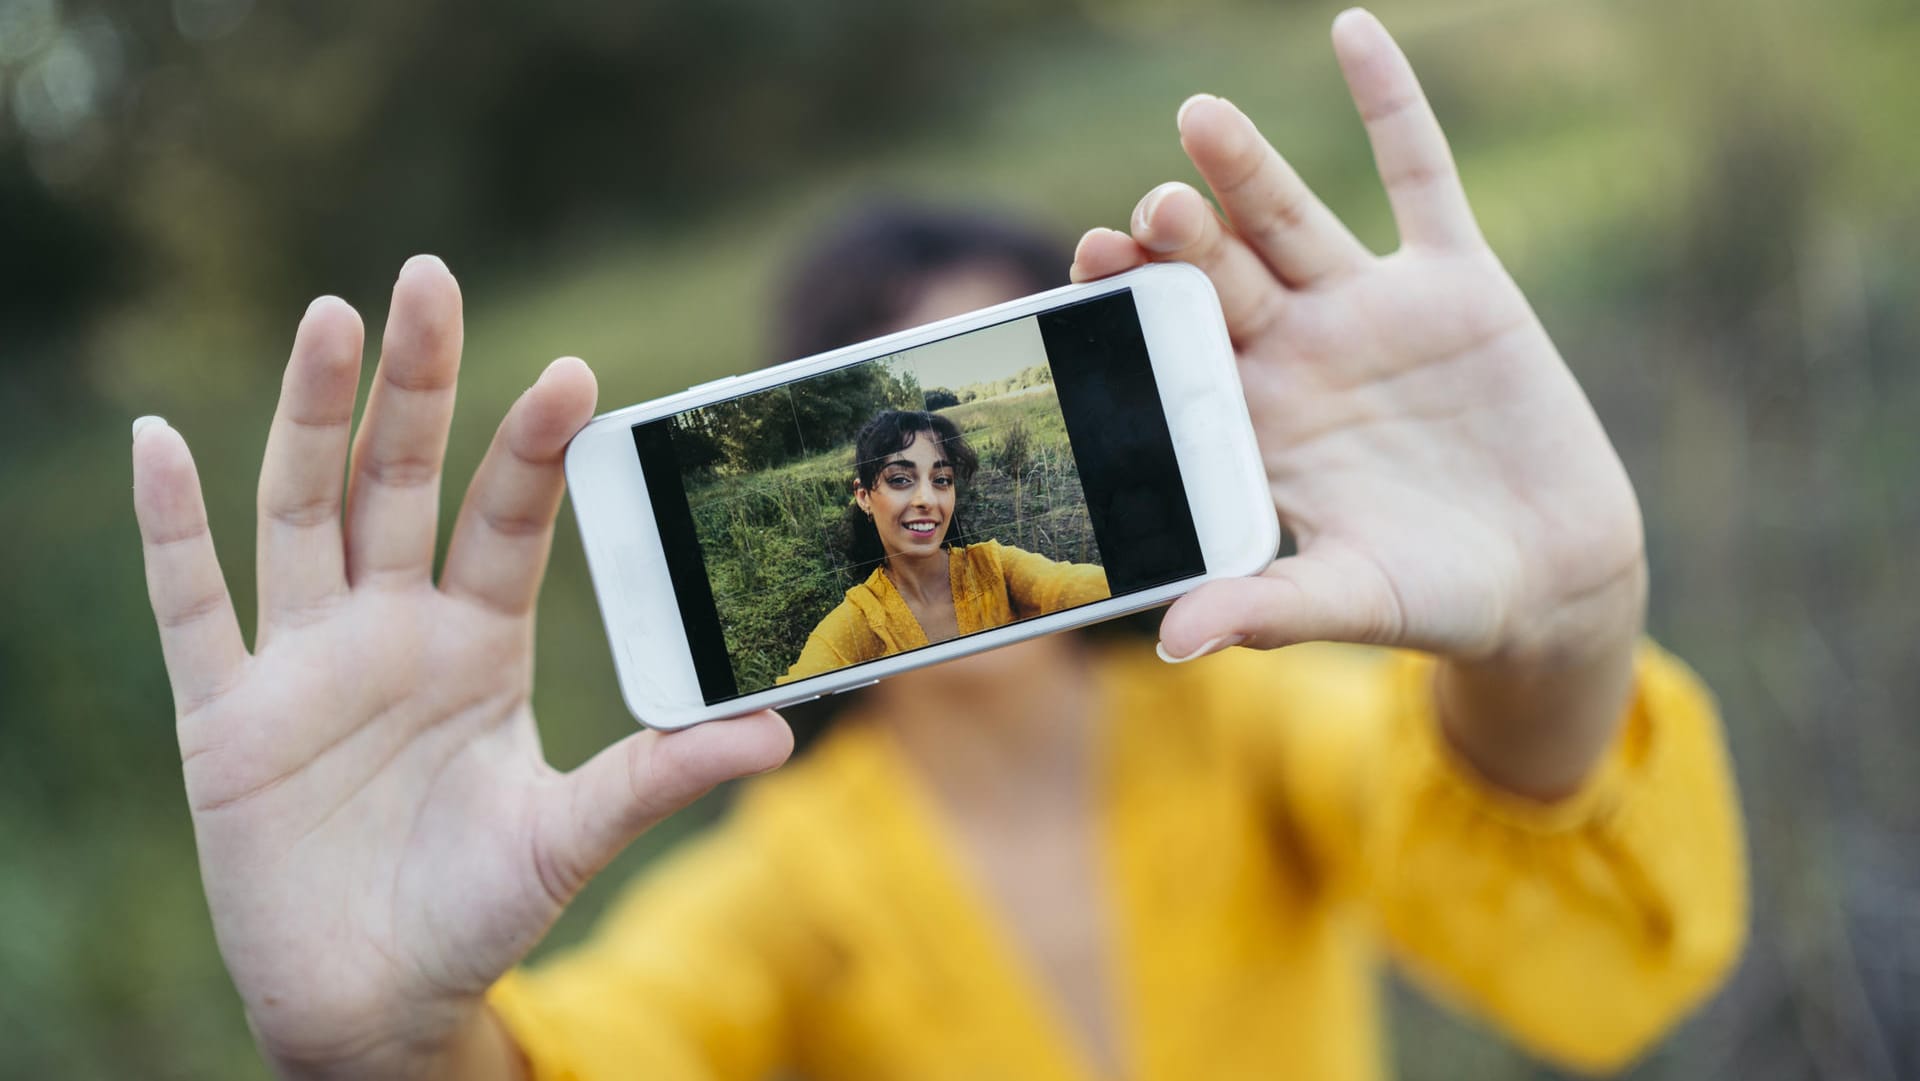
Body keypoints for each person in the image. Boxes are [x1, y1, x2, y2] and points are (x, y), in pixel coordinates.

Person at [128, 11, 1744, 1081]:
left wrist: (1567, 633)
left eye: (954, 450)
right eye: (885, 457)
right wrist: (409, 1046)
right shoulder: (792, 879)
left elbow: (1585, 947)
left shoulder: (1243, 714)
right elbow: (618, 1037)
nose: (922, 493)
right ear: (855, 490)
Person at [777, 408, 1109, 684]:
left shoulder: (997, 569)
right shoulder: (858, 623)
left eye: (941, 480)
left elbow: (1076, 586)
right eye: (900, 480)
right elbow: (795, 698)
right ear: (863, 496)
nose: (927, 499)